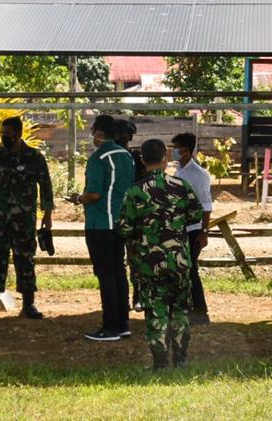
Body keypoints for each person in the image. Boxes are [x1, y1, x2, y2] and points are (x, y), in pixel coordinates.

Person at [116, 139, 203, 370]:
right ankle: (181, 360)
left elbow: (124, 227)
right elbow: (195, 215)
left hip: (149, 262)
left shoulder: (135, 191)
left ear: (142, 161)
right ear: (166, 158)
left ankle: (161, 362)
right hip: (180, 260)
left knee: (156, 310)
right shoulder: (181, 185)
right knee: (180, 310)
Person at [70, 115, 135, 341]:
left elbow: (94, 194)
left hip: (100, 224)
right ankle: (122, 322)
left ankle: (110, 327)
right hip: (120, 222)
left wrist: (79, 198)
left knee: (105, 274)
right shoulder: (126, 155)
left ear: (99, 132)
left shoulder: (98, 158)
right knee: (118, 271)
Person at [0, 116, 53, 320]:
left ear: (19, 134)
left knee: (26, 260)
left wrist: (47, 215)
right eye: (2, 134)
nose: (4, 138)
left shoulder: (34, 157)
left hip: (24, 221)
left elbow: (46, 186)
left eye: (8, 135)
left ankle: (29, 304)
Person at [171, 132, 212, 324]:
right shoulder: (179, 171)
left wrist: (204, 232)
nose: (174, 151)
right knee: (184, 268)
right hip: (181, 228)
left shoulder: (199, 174)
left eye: (176, 147)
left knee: (191, 269)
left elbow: (206, 204)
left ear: (186, 150)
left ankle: (200, 310)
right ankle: (189, 307)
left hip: (194, 228)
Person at [113, 118, 146, 312]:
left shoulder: (135, 158)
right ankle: (121, 298)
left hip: (134, 217)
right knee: (116, 259)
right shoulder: (110, 157)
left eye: (125, 136)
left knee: (136, 259)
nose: (123, 139)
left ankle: (138, 296)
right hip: (114, 215)